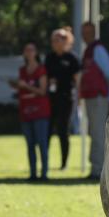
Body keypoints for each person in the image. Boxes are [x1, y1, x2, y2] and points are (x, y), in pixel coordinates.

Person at [10, 43, 50, 181]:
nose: (29, 52)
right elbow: (21, 88)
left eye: (31, 50)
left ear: (36, 52)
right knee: (30, 144)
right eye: (26, 50)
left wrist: (26, 86)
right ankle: (33, 173)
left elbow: (42, 91)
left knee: (42, 143)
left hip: (40, 112)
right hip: (25, 111)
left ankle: (44, 173)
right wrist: (16, 86)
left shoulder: (41, 70)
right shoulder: (22, 70)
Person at [79, 21, 109, 182]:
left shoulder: (97, 49)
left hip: (98, 97)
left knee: (98, 133)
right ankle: (96, 167)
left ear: (94, 33)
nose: (85, 35)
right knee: (94, 132)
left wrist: (104, 93)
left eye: (88, 32)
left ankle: (99, 169)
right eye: (83, 32)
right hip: (91, 96)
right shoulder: (89, 50)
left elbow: (108, 74)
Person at [45, 28, 80, 170]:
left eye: (59, 38)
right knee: (47, 130)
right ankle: (44, 161)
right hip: (50, 98)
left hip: (66, 99)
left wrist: (79, 98)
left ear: (67, 40)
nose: (56, 42)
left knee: (63, 130)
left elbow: (78, 80)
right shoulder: (49, 58)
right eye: (54, 39)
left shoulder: (72, 58)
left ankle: (64, 163)